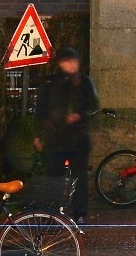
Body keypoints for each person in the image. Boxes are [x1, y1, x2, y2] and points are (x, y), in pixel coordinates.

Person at [32, 46, 100, 219]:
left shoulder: (84, 82)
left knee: (79, 177)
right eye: (67, 62)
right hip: (57, 137)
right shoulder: (51, 83)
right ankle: (52, 213)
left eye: (73, 61)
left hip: (78, 139)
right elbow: (41, 110)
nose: (71, 65)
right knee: (54, 176)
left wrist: (80, 116)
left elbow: (93, 106)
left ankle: (79, 212)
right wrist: (40, 132)